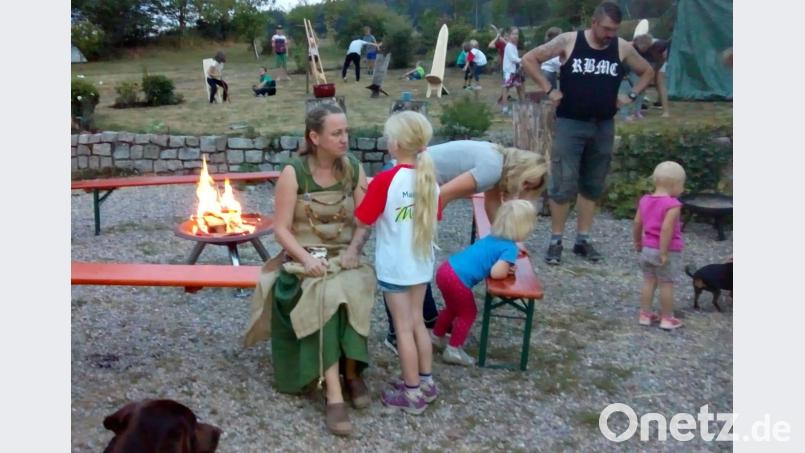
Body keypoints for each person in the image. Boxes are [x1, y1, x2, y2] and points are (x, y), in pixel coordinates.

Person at [242, 104, 376, 437]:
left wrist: (354, 251)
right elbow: (282, 230)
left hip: (345, 257)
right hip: (302, 260)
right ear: (315, 137)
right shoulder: (294, 173)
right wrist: (305, 259)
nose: (345, 139)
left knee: (355, 287)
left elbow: (365, 219)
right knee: (324, 294)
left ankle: (352, 371)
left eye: (346, 131)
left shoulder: (354, 168)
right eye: (337, 133)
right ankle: (333, 394)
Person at [381, 140, 548, 355]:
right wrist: (426, 228)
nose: (524, 189)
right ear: (521, 169)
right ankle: (396, 334)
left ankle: (428, 316)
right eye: (527, 183)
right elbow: (442, 194)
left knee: (417, 259)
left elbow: (492, 206)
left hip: (407, 178)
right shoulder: (492, 168)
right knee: (405, 260)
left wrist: (504, 245)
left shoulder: (497, 166)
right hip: (400, 177)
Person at [520, 1, 654, 265]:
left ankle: (582, 239)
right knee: (562, 182)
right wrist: (549, 89)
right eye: (606, 29)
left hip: (603, 123)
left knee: (592, 183)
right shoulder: (569, 41)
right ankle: (556, 240)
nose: (610, 34)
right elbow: (529, 59)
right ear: (594, 23)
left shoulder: (621, 47)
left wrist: (631, 95)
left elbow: (648, 71)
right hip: (571, 122)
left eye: (614, 29)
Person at [355, 111, 441, 415]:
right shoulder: (429, 178)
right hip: (420, 264)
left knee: (402, 328)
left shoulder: (385, 180)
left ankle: (412, 391)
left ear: (396, 144)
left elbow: (363, 218)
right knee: (418, 323)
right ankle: (426, 382)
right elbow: (434, 217)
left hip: (395, 266)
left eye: (389, 136)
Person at [431, 200, 537, 366]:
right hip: (458, 280)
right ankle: (453, 349)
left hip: (446, 270)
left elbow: (490, 253)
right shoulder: (510, 249)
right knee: (468, 313)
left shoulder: (493, 236)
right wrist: (507, 268)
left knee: (452, 308)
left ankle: (437, 337)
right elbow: (496, 273)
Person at [633, 161, 686, 330]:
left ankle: (645, 314)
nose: (683, 190)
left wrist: (637, 241)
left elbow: (637, 223)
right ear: (675, 185)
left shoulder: (645, 200)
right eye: (682, 185)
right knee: (666, 283)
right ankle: (667, 318)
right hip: (665, 250)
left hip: (647, 248)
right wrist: (663, 252)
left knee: (648, 281)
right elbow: (666, 229)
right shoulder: (673, 205)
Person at [633, 33, 671, 118]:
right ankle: (637, 110)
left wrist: (656, 71)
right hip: (646, 61)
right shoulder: (634, 45)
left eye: (644, 48)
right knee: (642, 83)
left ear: (648, 45)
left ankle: (666, 112)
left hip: (659, 61)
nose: (642, 49)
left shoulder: (660, 45)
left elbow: (662, 59)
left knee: (660, 83)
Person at [500, 27, 524, 115]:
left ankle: (523, 106)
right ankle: (504, 108)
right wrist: (523, 60)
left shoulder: (514, 46)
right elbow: (513, 58)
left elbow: (516, 59)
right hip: (509, 72)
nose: (515, 36)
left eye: (517, 34)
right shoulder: (509, 46)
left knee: (520, 88)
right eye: (513, 34)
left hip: (515, 71)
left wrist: (521, 64)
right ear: (509, 35)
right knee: (506, 89)